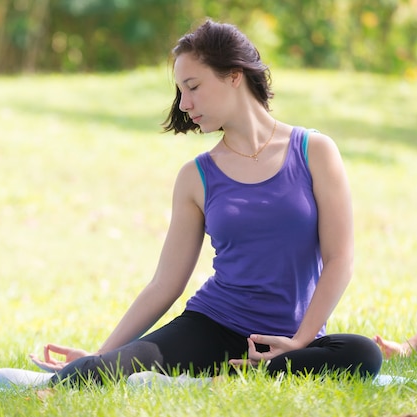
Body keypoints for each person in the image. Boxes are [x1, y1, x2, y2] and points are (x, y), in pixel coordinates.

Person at [21, 19, 383, 386]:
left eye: (192, 87)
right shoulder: (196, 177)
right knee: (101, 372)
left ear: (234, 75)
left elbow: (340, 258)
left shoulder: (314, 152)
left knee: (363, 354)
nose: (184, 103)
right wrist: (104, 353)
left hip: (294, 338)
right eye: (180, 91)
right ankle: (228, 375)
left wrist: (299, 342)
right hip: (212, 324)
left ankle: (247, 374)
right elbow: (165, 283)